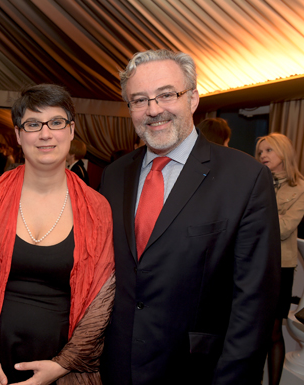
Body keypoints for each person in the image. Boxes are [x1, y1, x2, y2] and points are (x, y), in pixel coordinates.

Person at [99, 49, 281, 384]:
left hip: (195, 371)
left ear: (193, 98)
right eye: (139, 100)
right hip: (115, 367)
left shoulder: (245, 178)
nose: (153, 110)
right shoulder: (114, 175)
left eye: (167, 94)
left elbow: (253, 306)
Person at [0, 84, 115, 385]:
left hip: (66, 370)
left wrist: (61, 366)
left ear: (71, 130)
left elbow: (101, 302)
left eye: (56, 122)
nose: (45, 134)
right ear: (18, 135)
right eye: (32, 124)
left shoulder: (97, 209)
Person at [256, 132, 304, 385]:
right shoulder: (254, 182)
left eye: (269, 150)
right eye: (260, 152)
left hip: (280, 266)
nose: (263, 156)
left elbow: (286, 227)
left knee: (273, 331)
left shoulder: (301, 187)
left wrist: (255, 218)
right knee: (250, 328)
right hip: (250, 262)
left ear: (284, 153)